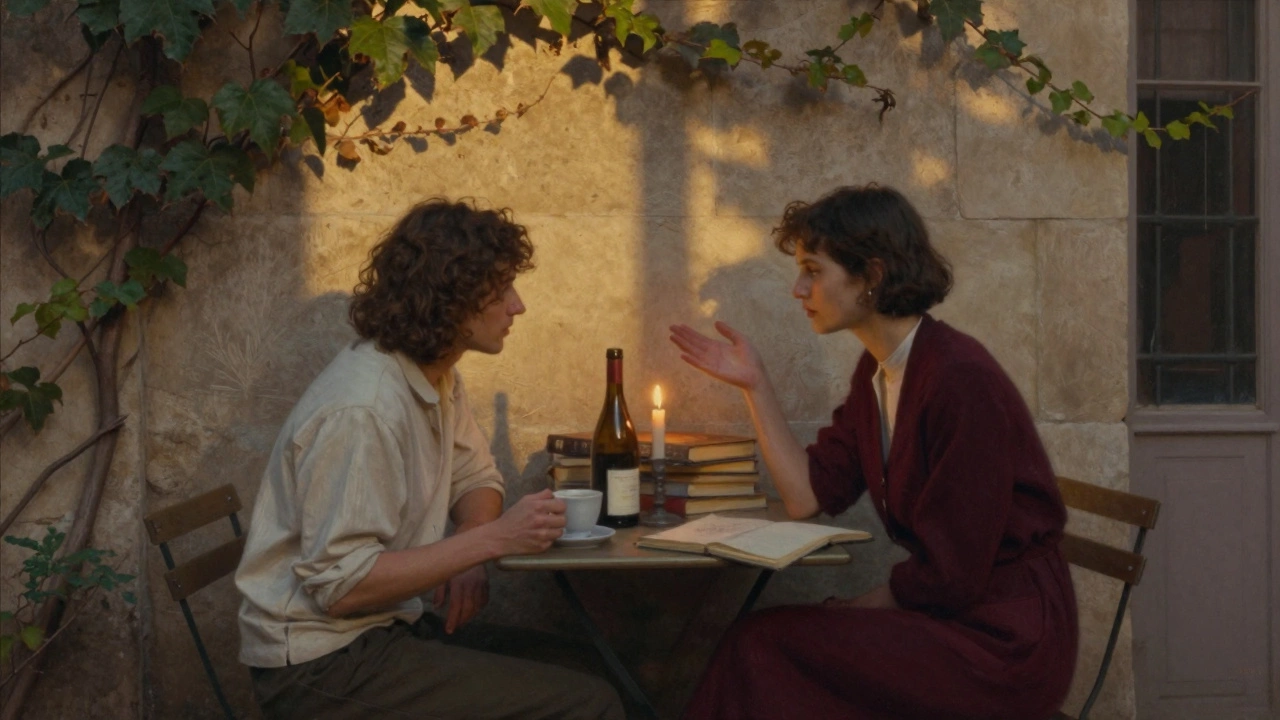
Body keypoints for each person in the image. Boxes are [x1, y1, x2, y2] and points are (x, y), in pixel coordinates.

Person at [671, 185, 1077, 720]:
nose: (799, 289)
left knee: (765, 645)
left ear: (873, 276)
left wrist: (859, 609)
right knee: (766, 643)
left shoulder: (959, 379)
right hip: (954, 617)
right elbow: (807, 495)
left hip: (1005, 642)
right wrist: (755, 386)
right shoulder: (879, 374)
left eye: (813, 270)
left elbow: (952, 574)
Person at [234, 199, 624, 720]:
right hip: (321, 667)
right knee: (588, 705)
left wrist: (468, 543)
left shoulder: (435, 374)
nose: (518, 306)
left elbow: (476, 478)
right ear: (453, 297)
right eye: (502, 287)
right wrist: (492, 541)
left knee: (586, 664)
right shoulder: (365, 409)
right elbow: (341, 588)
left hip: (381, 634)